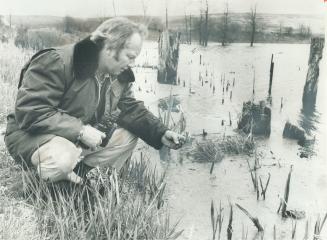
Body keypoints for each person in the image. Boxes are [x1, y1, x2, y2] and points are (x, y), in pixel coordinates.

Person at [4, 17, 185, 184]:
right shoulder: (57, 61)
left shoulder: (118, 76)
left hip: (70, 138)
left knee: (128, 136)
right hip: (29, 135)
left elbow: (130, 108)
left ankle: (76, 177)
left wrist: (161, 132)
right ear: (109, 47)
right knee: (62, 158)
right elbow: (31, 111)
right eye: (130, 56)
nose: (132, 63)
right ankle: (39, 182)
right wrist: (80, 131)